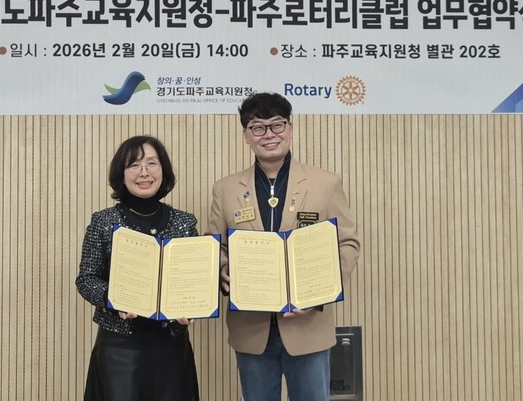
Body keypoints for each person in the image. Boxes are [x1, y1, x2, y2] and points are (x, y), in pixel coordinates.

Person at [204, 92, 361, 401]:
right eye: (258, 127)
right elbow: (215, 245)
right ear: (246, 136)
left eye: (277, 125)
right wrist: (222, 269)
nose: (269, 134)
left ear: (290, 128)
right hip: (251, 328)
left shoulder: (325, 183)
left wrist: (320, 293)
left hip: (308, 325)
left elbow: (347, 243)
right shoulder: (225, 189)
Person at [76, 135, 200, 401]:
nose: (144, 172)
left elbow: (195, 279)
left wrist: (193, 307)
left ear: (163, 170)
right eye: (134, 165)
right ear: (121, 174)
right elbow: (86, 279)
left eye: (152, 163)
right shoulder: (103, 221)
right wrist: (114, 299)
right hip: (119, 348)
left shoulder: (185, 223)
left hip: (171, 346)